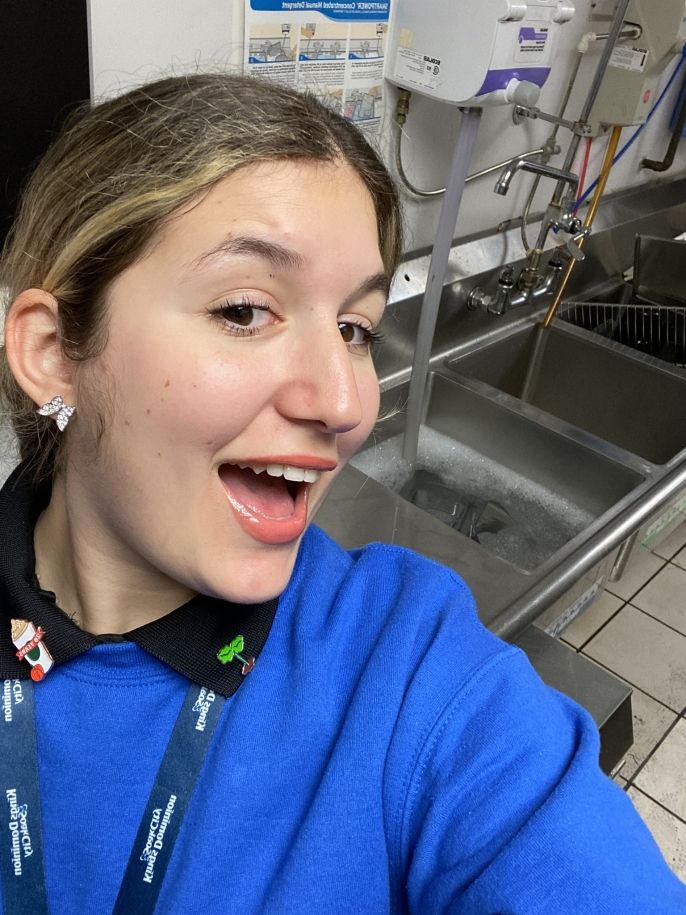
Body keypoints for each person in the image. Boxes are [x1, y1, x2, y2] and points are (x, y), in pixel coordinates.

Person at [0, 74, 682, 915]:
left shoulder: (408, 667)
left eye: (355, 329)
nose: (347, 402)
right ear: (53, 352)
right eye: (247, 310)